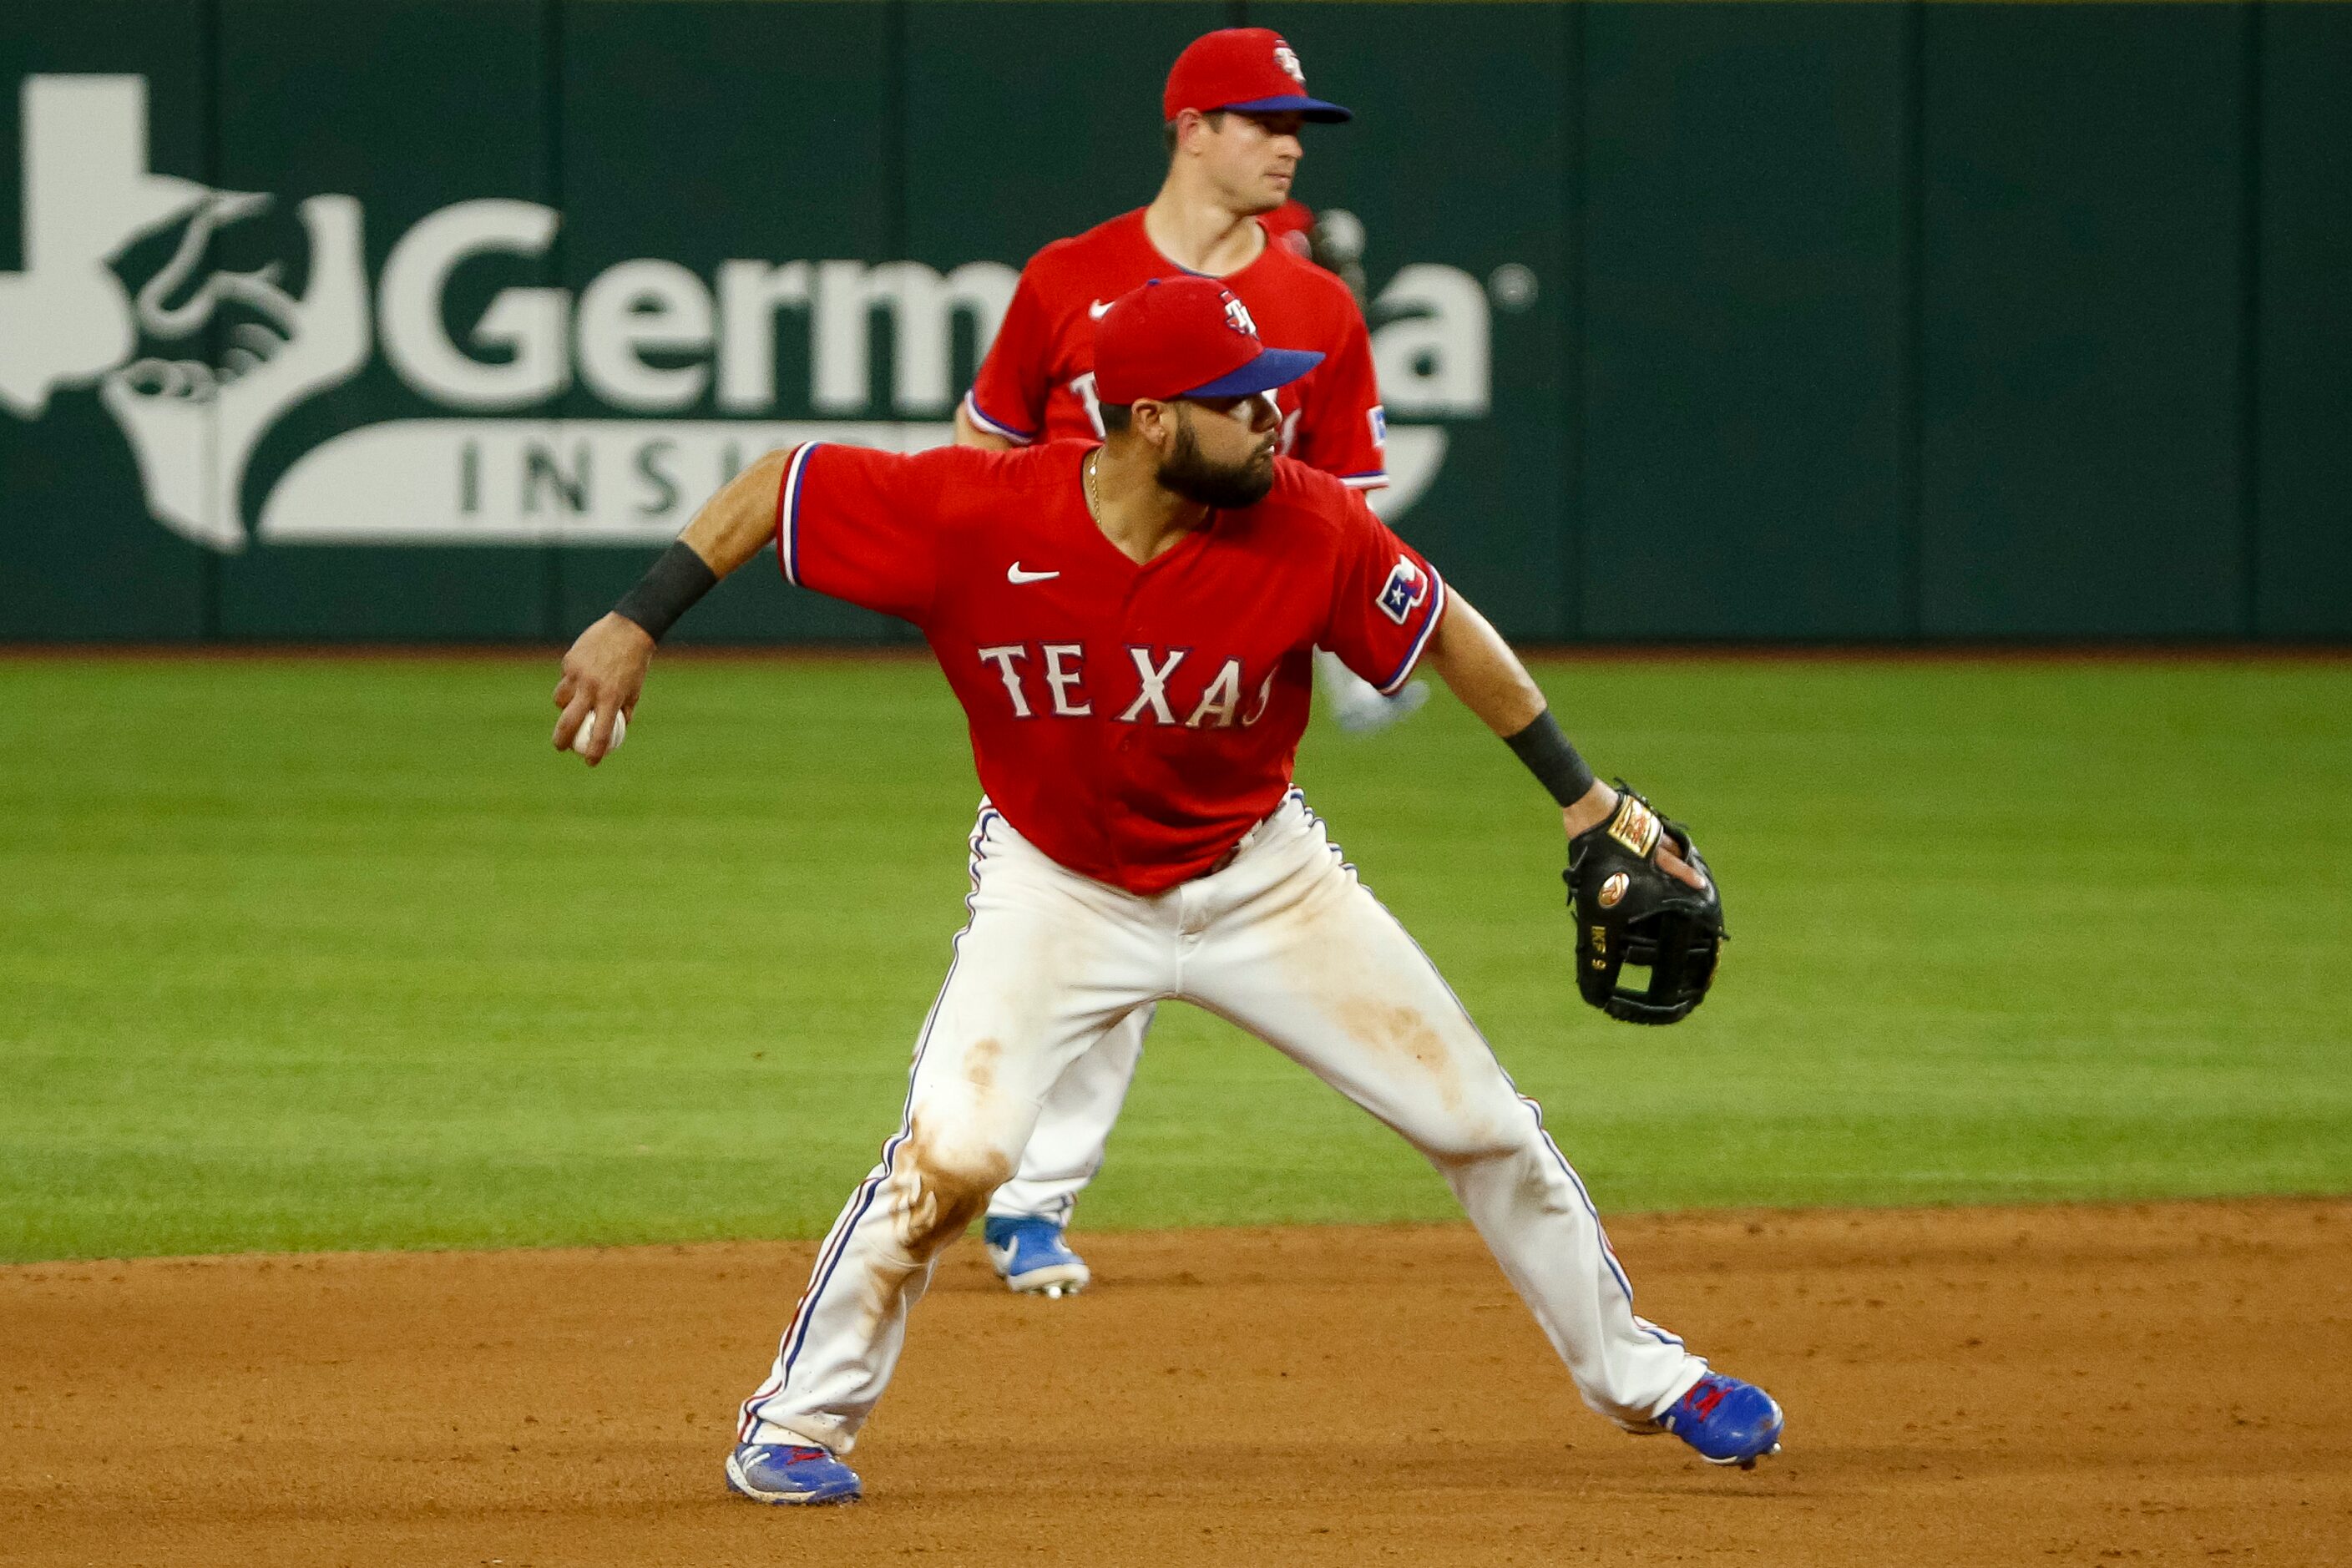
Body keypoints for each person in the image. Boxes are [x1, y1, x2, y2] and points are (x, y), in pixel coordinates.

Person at [551, 275, 1787, 1506]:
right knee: (958, 1154)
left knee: (1479, 1122)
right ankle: (796, 1422)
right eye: (1240, 402)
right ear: (1147, 419)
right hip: (1057, 886)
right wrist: (634, 618)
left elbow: (1444, 627)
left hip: (1264, 880)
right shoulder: (976, 512)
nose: (1272, 421)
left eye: (1272, 397)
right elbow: (779, 484)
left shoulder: (1310, 525)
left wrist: (1582, 797)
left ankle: (1644, 1376)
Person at [949, 27, 1424, 1298]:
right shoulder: (1068, 276)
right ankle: (999, 1176)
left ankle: (1026, 1194)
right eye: (1263, 119)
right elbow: (983, 436)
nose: (1285, 143)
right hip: (1065, 634)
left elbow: (1351, 496)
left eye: (1298, 128)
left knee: (1158, 884)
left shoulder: (1313, 303)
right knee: (1069, 896)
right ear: (1189, 128)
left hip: (1211, 636)